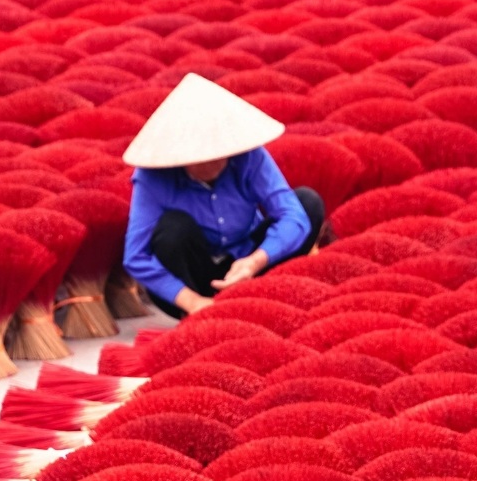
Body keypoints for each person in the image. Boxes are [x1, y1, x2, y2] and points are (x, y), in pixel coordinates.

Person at [121, 73, 326, 319]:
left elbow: (292, 215)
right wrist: (192, 301)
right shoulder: (152, 177)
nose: (215, 161)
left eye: (220, 152)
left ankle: (265, 302)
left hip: (249, 265)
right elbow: (136, 257)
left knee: (308, 203)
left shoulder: (249, 157)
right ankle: (198, 319)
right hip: (192, 280)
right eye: (202, 158)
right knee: (172, 228)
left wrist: (255, 261)